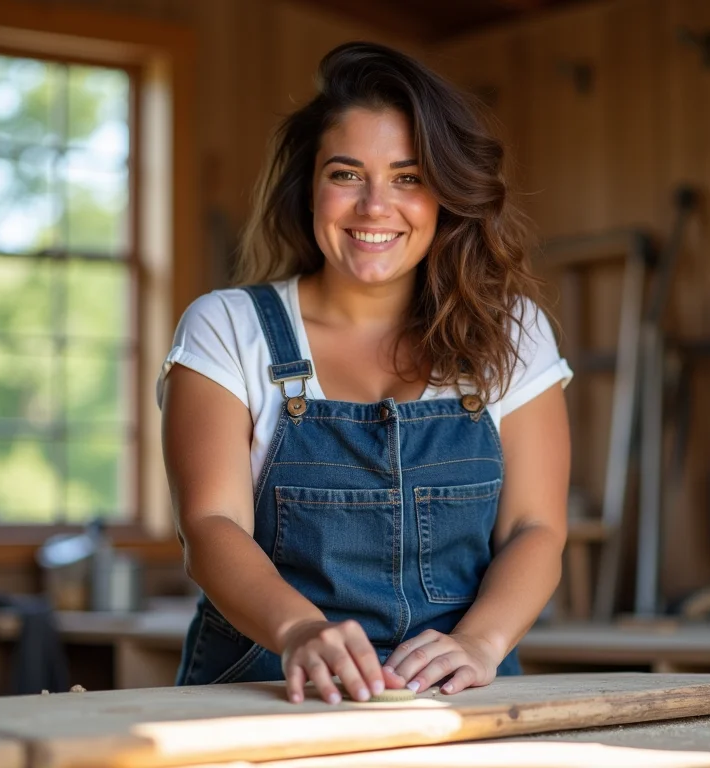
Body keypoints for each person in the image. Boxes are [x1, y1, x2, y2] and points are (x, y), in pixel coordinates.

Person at [157, 41, 572, 706]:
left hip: (452, 698)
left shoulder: (512, 333)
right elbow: (209, 524)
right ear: (309, 186)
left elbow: (536, 528)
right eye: (347, 174)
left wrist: (481, 644)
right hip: (264, 690)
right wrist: (299, 630)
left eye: (408, 177)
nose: (376, 207)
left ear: (446, 193)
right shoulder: (226, 327)